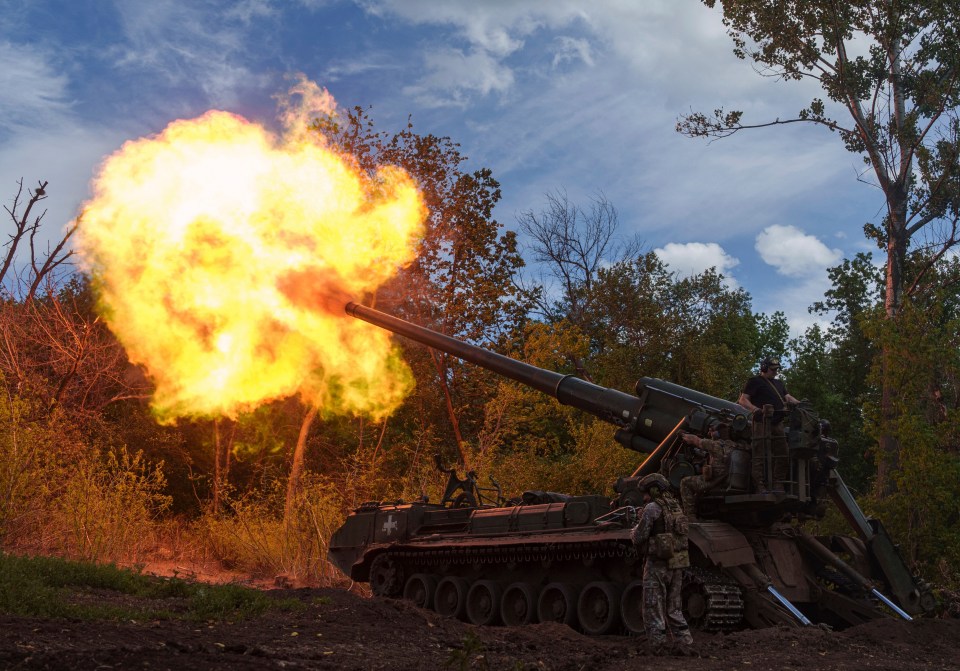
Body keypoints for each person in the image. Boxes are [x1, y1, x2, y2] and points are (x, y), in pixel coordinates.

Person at [630, 473, 695, 656]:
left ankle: (658, 645)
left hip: (657, 563)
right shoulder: (677, 508)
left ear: (654, 490)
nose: (644, 497)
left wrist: (636, 524)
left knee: (653, 605)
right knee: (674, 607)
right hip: (677, 562)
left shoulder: (652, 508)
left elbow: (639, 537)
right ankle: (685, 642)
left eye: (646, 493)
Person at [737, 357, 800, 493]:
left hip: (777, 422)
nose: (775, 372)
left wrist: (800, 404)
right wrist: (755, 410)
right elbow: (742, 400)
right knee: (759, 454)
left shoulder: (779, 383)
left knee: (783, 453)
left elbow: (788, 397)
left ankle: (778, 483)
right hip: (761, 422)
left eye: (777, 369)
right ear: (764, 368)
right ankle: (759, 485)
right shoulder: (755, 382)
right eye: (773, 370)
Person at [678, 422, 746, 520]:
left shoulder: (714, 444)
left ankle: (691, 517)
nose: (710, 434)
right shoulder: (736, 446)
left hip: (715, 481)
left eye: (712, 431)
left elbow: (694, 440)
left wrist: (682, 435)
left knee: (685, 482)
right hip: (730, 480)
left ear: (717, 434)